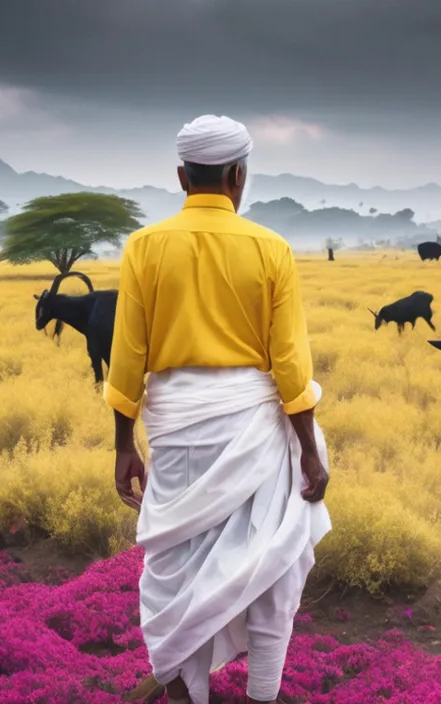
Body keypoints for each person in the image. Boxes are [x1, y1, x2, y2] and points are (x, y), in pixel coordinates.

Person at [106, 114, 332, 704]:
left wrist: (124, 445)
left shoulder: (144, 248)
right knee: (269, 562)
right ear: (239, 176)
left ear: (182, 176)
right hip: (255, 430)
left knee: (175, 568)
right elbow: (289, 363)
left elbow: (128, 356)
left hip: (176, 431)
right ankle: (262, 692)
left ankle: (182, 689)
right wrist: (308, 451)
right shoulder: (271, 249)